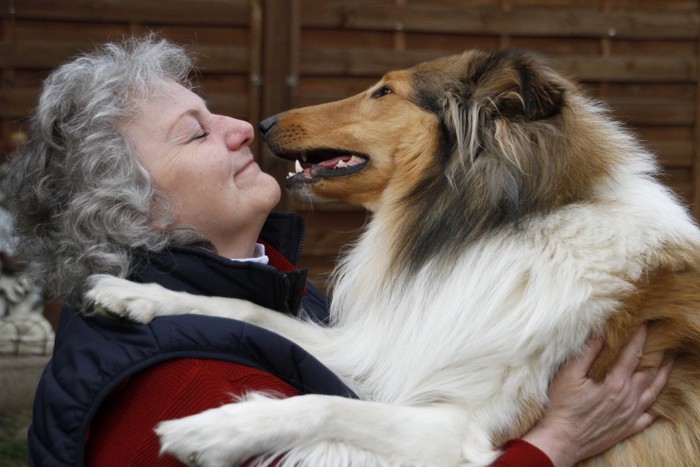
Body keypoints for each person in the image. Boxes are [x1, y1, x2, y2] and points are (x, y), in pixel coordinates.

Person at [4, 34, 671, 467]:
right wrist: (550, 445)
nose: (244, 128)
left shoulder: (279, 291)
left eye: (216, 111)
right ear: (139, 210)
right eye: (195, 133)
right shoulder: (185, 386)